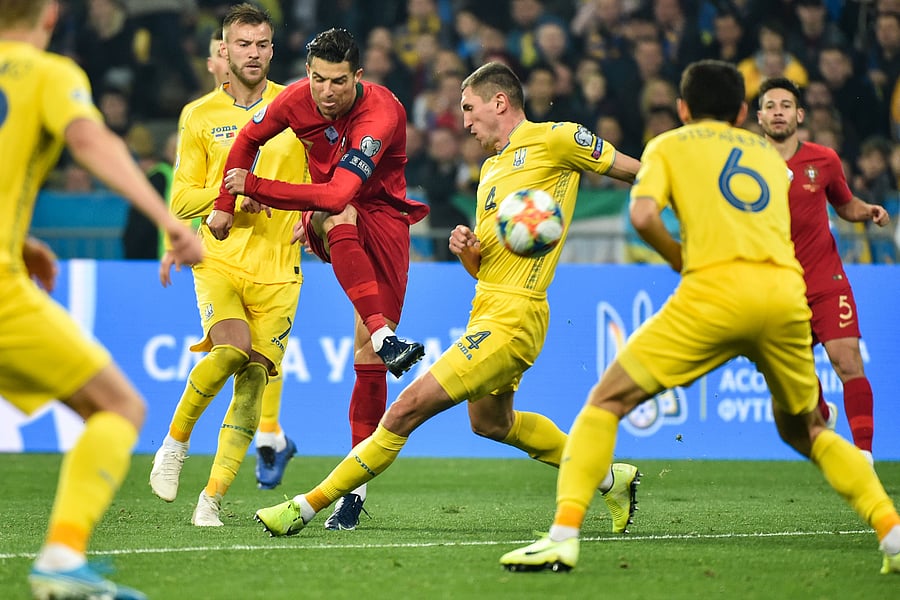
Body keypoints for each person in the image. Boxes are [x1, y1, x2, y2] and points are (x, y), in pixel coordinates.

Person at [499, 59, 900, 575]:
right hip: (783, 296)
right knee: (809, 429)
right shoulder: (769, 157)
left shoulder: (669, 144)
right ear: (741, 111)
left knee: (606, 401)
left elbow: (643, 215)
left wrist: (676, 256)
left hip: (712, 292)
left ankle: (562, 536)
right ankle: (891, 533)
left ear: (683, 108)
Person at [251, 61, 643, 539]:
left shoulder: (559, 139)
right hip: (488, 307)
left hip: (514, 317)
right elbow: (488, 267)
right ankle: (610, 478)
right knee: (491, 424)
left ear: (500, 102)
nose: (464, 122)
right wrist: (470, 253)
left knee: (404, 410)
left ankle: (306, 507)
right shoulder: (493, 170)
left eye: (469, 109)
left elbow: (638, 172)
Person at [0, 1, 202, 597]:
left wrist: (23, 237)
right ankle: (62, 556)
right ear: (51, 14)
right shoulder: (49, 73)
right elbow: (88, 137)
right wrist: (168, 219)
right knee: (118, 408)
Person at [207, 27, 428, 530]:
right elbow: (246, 139)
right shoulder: (295, 100)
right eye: (317, 79)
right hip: (332, 217)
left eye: (338, 81)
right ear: (308, 73)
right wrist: (224, 205)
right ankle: (387, 334)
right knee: (339, 218)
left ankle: (353, 492)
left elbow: (336, 191)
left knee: (367, 360)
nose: (326, 91)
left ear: (358, 77)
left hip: (386, 219)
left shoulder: (381, 112)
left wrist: (257, 186)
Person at [148, 3, 307, 525]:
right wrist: (235, 199)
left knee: (255, 381)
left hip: (281, 268)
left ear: (272, 49)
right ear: (225, 50)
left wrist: (316, 217)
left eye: (263, 44)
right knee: (232, 351)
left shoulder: (298, 105)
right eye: (244, 44)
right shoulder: (199, 115)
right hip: (220, 260)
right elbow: (180, 200)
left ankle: (210, 499)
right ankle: (174, 444)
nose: (254, 53)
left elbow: (319, 180)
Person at [756, 77, 890, 465]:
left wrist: (867, 211)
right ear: (759, 116)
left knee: (848, 361)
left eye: (785, 105)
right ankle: (823, 411)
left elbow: (844, 204)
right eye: (770, 105)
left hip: (825, 280)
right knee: (792, 376)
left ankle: (863, 453)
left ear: (799, 114)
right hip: (776, 286)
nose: (778, 111)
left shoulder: (824, 160)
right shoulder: (746, 163)